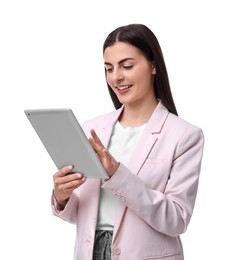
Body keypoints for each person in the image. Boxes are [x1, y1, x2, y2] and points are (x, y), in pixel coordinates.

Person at [51, 23, 204, 260]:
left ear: (153, 65)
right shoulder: (93, 128)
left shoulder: (184, 135)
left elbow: (177, 219)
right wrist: (63, 196)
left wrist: (117, 175)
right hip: (90, 251)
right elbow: (79, 214)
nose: (116, 77)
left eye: (127, 66)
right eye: (108, 68)